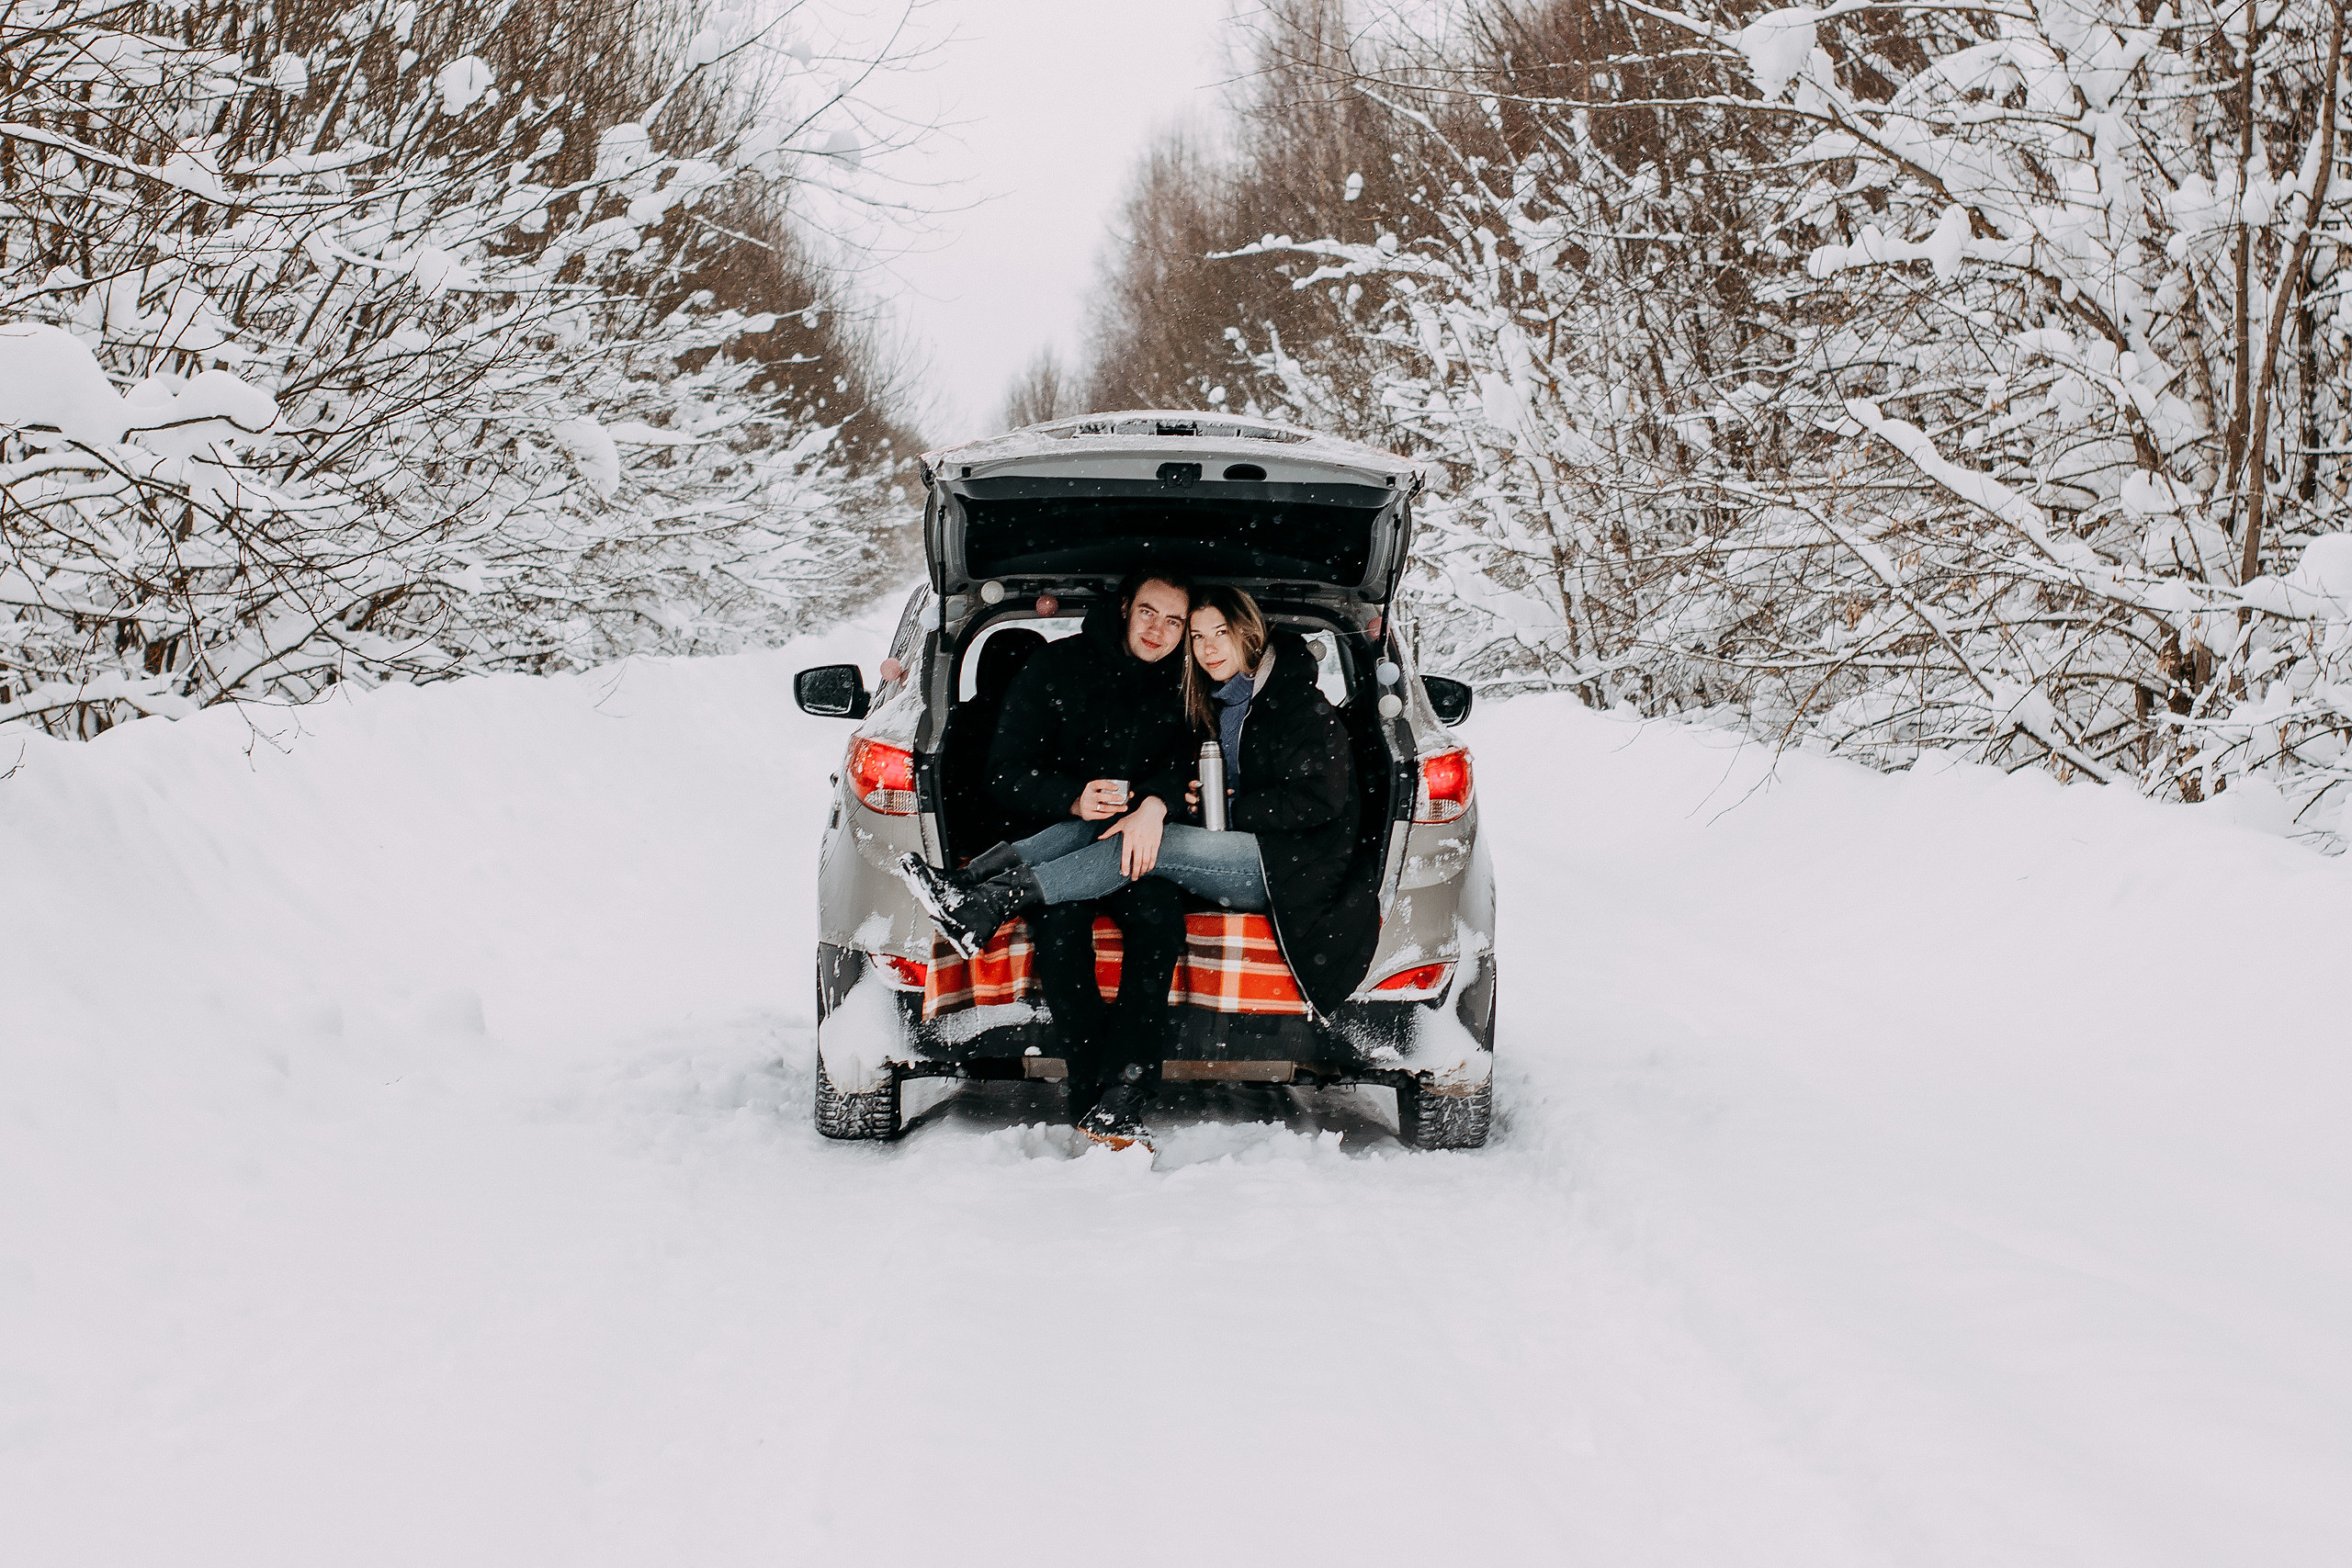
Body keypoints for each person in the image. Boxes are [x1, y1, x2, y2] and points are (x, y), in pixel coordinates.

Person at [905, 582, 1385, 1150]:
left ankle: (996, 900)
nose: (1205, 648)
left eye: (1215, 633)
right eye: (1198, 636)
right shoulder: (1221, 696)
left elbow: (1321, 799)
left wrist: (1222, 805)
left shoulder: (1295, 703)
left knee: (1147, 843)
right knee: (1114, 820)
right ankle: (970, 886)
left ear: (1250, 633)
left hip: (1284, 867)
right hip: (1236, 844)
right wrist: (1150, 801)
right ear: (1128, 612)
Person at [899, 572, 1196, 1146]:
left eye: (1174, 622)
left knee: (1159, 919)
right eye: (1148, 613)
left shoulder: (1182, 685)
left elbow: (1188, 764)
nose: (1159, 631)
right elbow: (1003, 774)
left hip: (1139, 849)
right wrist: (1072, 797)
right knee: (1063, 929)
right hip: (1055, 840)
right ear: (1124, 610)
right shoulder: (1055, 670)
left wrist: (1157, 802)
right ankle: (1093, 1095)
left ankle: (1128, 1089)